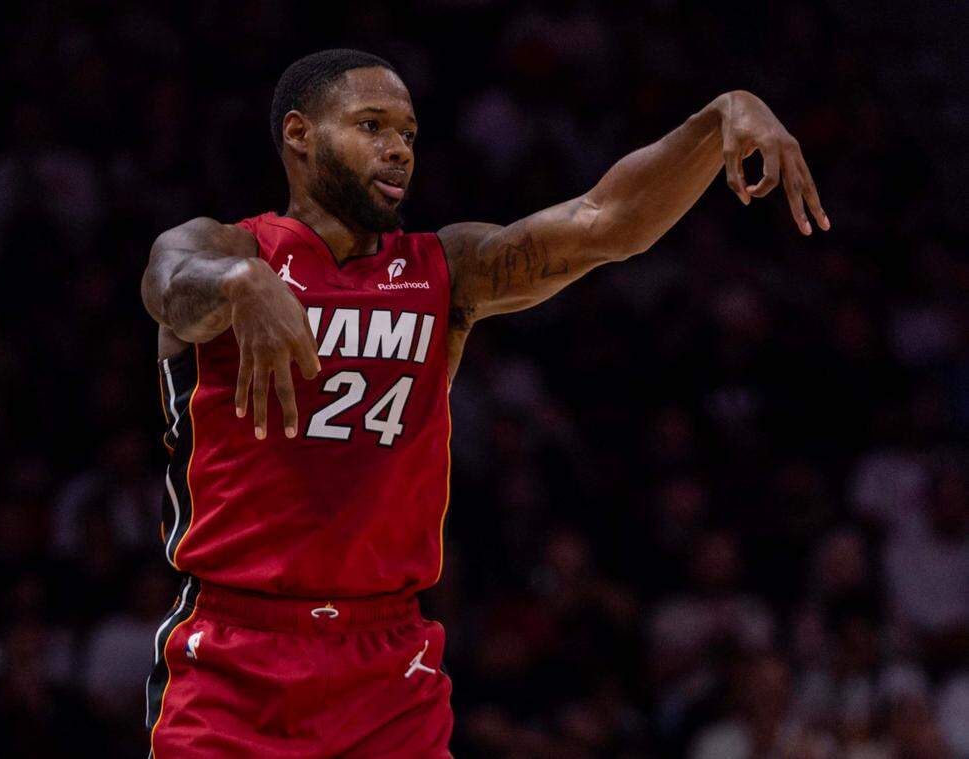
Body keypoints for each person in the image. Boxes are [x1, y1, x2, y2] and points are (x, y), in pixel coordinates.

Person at [139, 48, 828, 757]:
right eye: (372, 125)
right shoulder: (227, 247)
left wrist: (717, 120)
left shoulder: (444, 270)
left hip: (386, 665)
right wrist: (241, 283)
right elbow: (168, 282)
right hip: (235, 653)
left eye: (408, 133)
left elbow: (606, 221)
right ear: (299, 134)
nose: (398, 149)